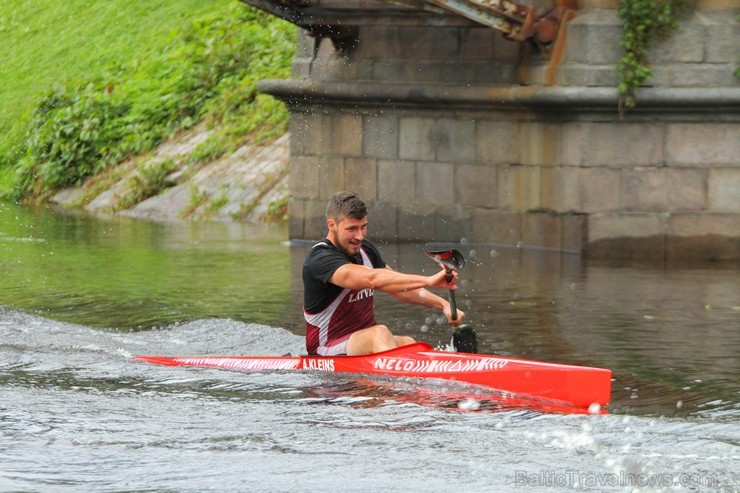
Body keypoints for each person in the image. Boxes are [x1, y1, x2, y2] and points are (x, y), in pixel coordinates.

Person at [303, 191, 465, 356]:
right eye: (352, 229)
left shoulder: (365, 250)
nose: (359, 236)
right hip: (325, 350)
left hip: (359, 343)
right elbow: (372, 279)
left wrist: (443, 305)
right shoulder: (320, 259)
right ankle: (396, 380)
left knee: (407, 343)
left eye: (363, 227)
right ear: (332, 225)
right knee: (379, 333)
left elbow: (398, 287)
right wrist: (429, 280)